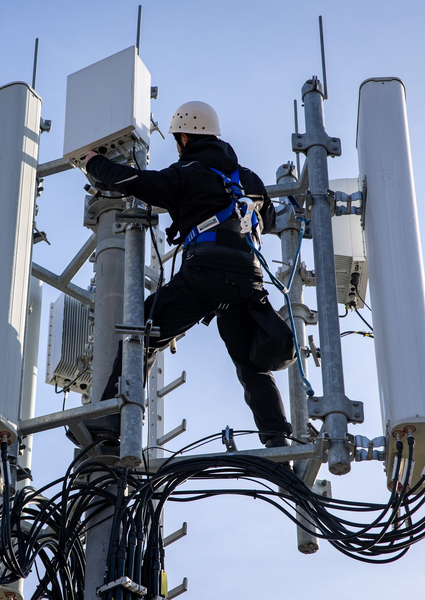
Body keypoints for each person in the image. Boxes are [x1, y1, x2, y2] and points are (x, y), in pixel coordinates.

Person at [82, 100, 293, 448]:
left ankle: (109, 423)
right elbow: (269, 221)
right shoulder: (250, 179)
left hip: (205, 274)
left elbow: (131, 180)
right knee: (251, 365)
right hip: (248, 283)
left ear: (184, 137)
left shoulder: (186, 174)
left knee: (145, 328)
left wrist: (95, 162)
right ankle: (277, 440)